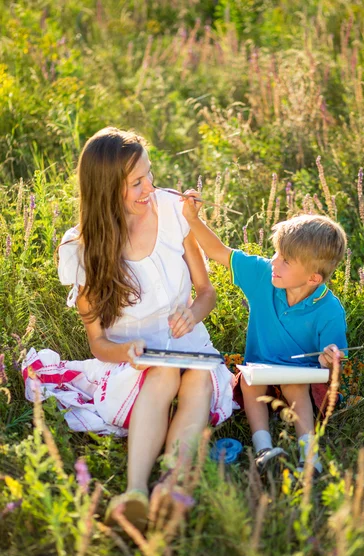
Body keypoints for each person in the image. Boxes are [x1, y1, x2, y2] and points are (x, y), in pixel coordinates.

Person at [23, 127, 235, 531]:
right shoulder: (83, 249)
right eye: (137, 182)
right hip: (133, 361)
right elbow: (99, 342)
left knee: (200, 379)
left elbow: (207, 291)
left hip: (187, 343)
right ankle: (135, 490)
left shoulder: (172, 213)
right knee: (163, 372)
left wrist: (193, 313)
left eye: (149, 175)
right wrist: (127, 352)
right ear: (106, 190)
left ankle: (170, 485)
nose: (150, 188)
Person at [181, 197, 347, 477]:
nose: (274, 262)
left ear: (313, 279)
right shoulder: (263, 275)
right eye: (277, 253)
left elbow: (332, 358)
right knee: (248, 381)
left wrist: (328, 357)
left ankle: (310, 458)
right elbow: (218, 251)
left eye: (285, 260)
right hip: (258, 371)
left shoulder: (330, 309)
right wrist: (193, 219)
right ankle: (264, 449)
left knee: (294, 387)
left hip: (298, 377)